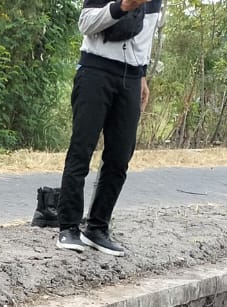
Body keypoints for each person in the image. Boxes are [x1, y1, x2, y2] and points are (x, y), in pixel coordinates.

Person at [55, 0, 163, 256]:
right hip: (96, 69)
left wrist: (143, 77)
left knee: (120, 157)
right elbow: (85, 23)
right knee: (82, 149)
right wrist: (123, 7)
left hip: (132, 77)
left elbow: (145, 36)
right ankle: (68, 227)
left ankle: (97, 228)